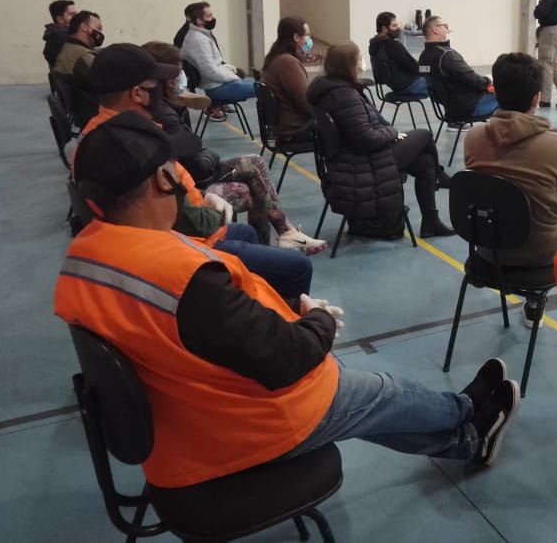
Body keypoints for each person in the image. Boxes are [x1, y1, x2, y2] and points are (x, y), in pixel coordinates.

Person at [56, 111, 521, 491]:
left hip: (185, 421)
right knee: (380, 392)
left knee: (364, 405)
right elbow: (290, 358)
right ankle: (466, 413)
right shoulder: (181, 277)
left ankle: (466, 439)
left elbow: (192, 333)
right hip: (239, 430)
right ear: (163, 179)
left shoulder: (85, 258)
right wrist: (317, 321)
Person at [77, 44, 316, 301]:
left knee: (248, 231)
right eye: (158, 83)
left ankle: (256, 291)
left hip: (184, 225)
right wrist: (212, 209)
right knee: (299, 267)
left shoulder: (107, 134)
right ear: (138, 94)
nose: (166, 86)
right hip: (185, 242)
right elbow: (184, 218)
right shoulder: (134, 149)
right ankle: (282, 309)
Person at [144, 40, 327, 254]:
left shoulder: (169, 106)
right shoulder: (165, 114)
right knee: (252, 189)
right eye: (179, 70)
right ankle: (270, 244)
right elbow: (196, 164)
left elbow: (194, 153)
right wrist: (210, 156)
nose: (183, 75)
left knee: (255, 166)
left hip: (195, 175)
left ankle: (278, 239)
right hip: (192, 186)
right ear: (168, 79)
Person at [464, 52, 557, 327]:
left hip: (487, 249)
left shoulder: (473, 137)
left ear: (496, 92)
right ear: (536, 98)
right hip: (540, 255)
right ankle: (535, 303)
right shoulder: (556, 146)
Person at [307, 42, 456, 239]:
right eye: (359, 59)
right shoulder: (344, 95)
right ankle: (440, 178)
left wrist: (387, 131)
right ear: (349, 64)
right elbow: (366, 139)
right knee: (425, 135)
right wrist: (392, 133)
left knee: (425, 163)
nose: (362, 63)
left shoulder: (332, 89)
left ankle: (431, 222)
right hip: (362, 161)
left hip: (352, 157)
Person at [417, 16, 498, 119]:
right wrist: (489, 79)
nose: (448, 30)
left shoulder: (423, 57)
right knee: (511, 93)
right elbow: (476, 82)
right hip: (470, 107)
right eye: (445, 26)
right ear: (435, 29)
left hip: (450, 109)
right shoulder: (447, 55)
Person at [179, 1, 256, 105]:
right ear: (199, 20)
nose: (213, 18)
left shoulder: (203, 35)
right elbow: (209, 71)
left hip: (220, 84)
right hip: (217, 88)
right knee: (266, 89)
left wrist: (229, 70)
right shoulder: (198, 40)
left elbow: (215, 64)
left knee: (263, 86)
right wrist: (234, 77)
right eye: (209, 16)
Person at [261, 16, 318, 142]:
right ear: (296, 37)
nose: (310, 39)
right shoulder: (288, 63)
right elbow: (306, 101)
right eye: (307, 35)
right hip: (296, 127)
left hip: (285, 124)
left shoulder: (276, 57)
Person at [52, 10, 104, 126]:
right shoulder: (82, 56)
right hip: (95, 115)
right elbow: (108, 83)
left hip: (81, 112)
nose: (100, 33)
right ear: (84, 27)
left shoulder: (68, 48)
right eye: (98, 28)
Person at [369, 11, 428, 96]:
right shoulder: (392, 45)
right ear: (384, 29)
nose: (398, 28)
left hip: (396, 86)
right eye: (394, 26)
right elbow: (415, 68)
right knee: (442, 84)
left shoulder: (375, 44)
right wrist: (429, 69)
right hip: (409, 85)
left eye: (398, 25)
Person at [42, 0, 76, 68]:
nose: (78, 17)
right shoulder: (59, 38)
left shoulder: (64, 35)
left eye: (77, 14)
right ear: (60, 19)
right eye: (72, 14)